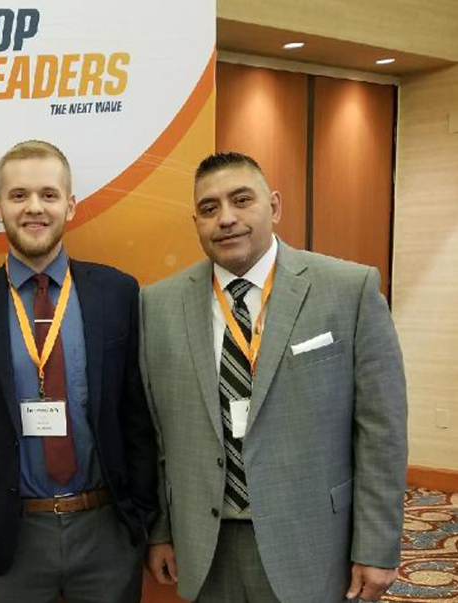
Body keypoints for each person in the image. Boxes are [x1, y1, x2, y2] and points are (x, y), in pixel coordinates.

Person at [140, 152, 407, 603]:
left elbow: (382, 432)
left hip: (313, 541)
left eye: (242, 200)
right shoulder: (158, 305)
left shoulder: (349, 290)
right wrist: (161, 530)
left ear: (275, 206)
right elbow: (156, 435)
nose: (226, 218)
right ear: (196, 222)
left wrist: (377, 546)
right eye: (209, 208)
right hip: (206, 545)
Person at [0, 140, 158, 602]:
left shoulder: (117, 294)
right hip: (9, 538)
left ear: (70, 206)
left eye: (48, 195)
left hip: (106, 532)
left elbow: (136, 415)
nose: (34, 207)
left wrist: (141, 515)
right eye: (18, 195)